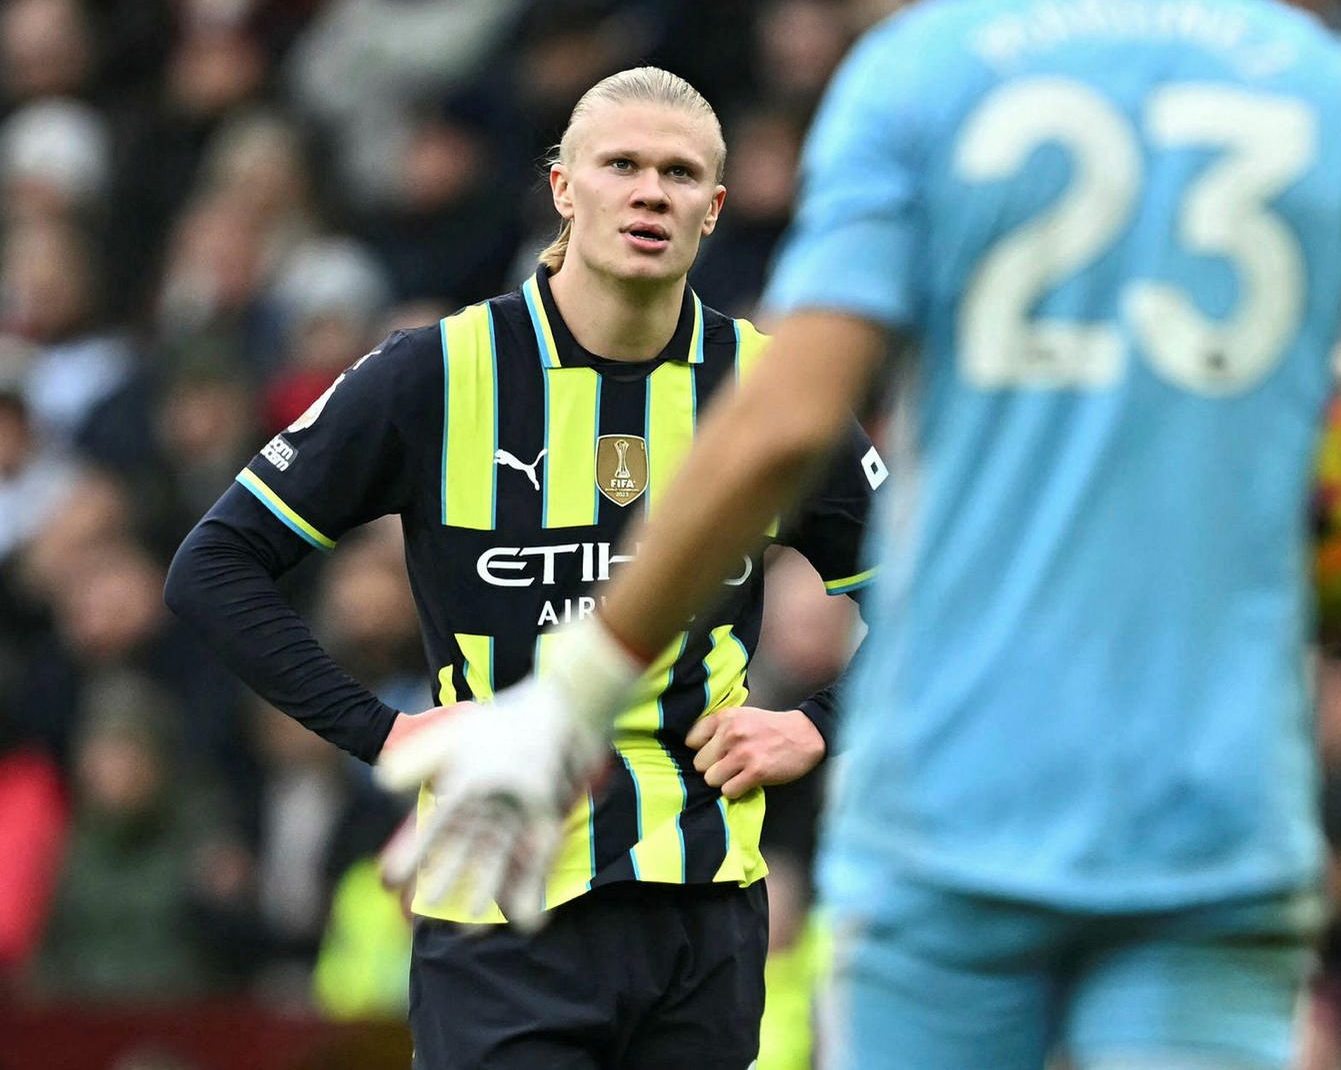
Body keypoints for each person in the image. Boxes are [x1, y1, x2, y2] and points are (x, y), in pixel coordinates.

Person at [378, 0, 1341, 1067]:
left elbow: (782, 418)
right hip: (1211, 807)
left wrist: (575, 691)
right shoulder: (1328, 88)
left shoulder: (926, 71)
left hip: (949, 803)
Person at [166, 67, 882, 1069]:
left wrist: (817, 724)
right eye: (621, 165)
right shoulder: (437, 373)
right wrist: (386, 730)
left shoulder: (765, 388)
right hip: (502, 908)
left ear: (714, 210)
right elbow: (215, 565)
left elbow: (929, 603)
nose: (649, 191)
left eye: (679, 174)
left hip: (706, 914)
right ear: (561, 187)